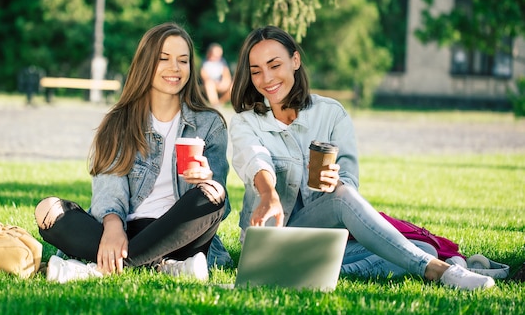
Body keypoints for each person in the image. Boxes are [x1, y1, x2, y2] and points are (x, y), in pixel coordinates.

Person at [228, 25, 495, 290]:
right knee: (416, 253)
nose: (267, 78)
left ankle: (307, 272)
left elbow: (348, 185)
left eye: (275, 65)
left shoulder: (331, 114)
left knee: (423, 247)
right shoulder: (246, 123)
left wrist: (336, 183)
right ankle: (439, 270)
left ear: (295, 60)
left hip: (320, 240)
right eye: (256, 71)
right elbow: (255, 158)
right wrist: (268, 193)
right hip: (273, 242)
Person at [35, 22, 231, 283]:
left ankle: (95, 270)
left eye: (183, 61)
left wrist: (207, 178)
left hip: (181, 233)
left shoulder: (210, 124)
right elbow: (108, 186)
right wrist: (113, 226)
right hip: (128, 230)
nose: (174, 68)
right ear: (146, 63)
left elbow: (219, 207)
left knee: (214, 193)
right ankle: (166, 265)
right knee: (47, 210)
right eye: (164, 59)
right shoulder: (119, 122)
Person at [200, 42, 232, 107]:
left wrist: (224, 82)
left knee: (234, 86)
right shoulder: (205, 62)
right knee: (209, 84)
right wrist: (215, 83)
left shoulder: (222, 62)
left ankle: (220, 103)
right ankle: (215, 104)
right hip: (210, 84)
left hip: (221, 84)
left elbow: (227, 75)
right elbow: (205, 77)